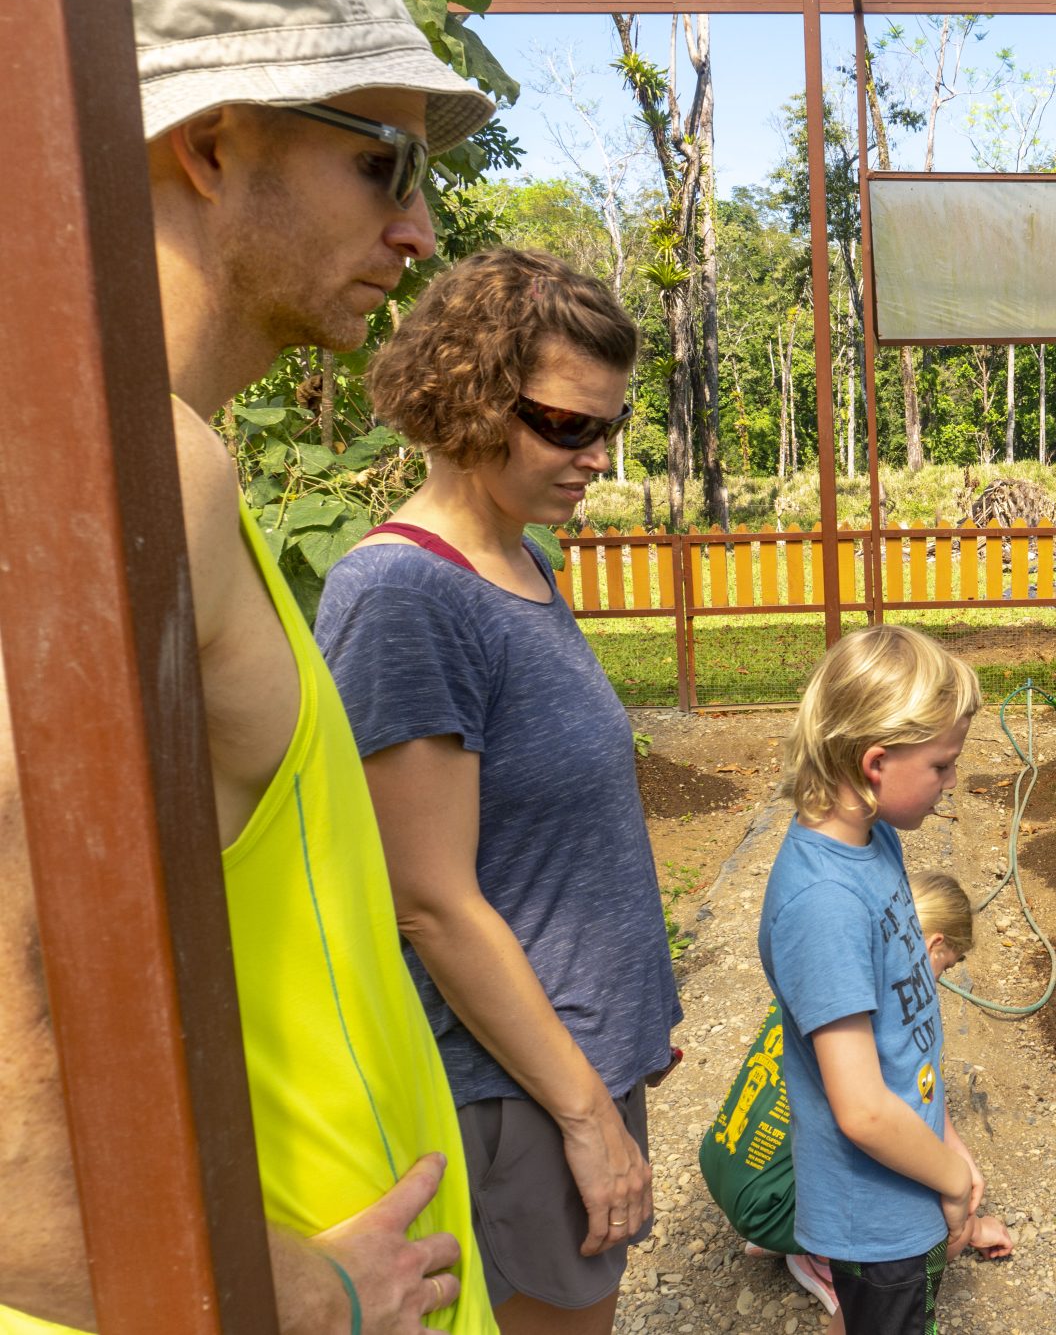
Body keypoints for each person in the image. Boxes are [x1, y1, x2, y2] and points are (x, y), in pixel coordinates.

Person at [0, 0, 500, 1331]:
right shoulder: (131, 468)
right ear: (213, 145)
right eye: (379, 159)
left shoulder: (156, 460)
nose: (418, 224)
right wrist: (308, 1293)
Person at [313, 248, 681, 1334]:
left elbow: (551, 837)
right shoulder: (404, 597)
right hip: (512, 1089)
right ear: (468, 400)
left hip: (573, 1054)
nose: (596, 458)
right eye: (568, 425)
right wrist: (585, 1115)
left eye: (605, 428)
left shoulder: (522, 563)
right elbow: (428, 901)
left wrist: (635, 1008)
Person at [758, 626, 991, 1335]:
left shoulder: (875, 838)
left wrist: (946, 1136)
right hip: (876, 1211)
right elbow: (860, 1108)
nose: (952, 781)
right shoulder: (822, 904)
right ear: (876, 763)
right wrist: (952, 1183)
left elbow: (900, 1026)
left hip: (906, 1179)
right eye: (943, 764)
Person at [703, 871, 1013, 1332]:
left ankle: (803, 1241)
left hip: (729, 1164)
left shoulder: (835, 982)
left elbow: (921, 1079)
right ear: (931, 946)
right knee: (923, 1221)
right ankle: (828, 1263)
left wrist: (955, 1144)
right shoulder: (888, 1017)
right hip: (768, 1202)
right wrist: (965, 1218)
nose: (940, 982)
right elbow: (882, 1125)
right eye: (947, 966)